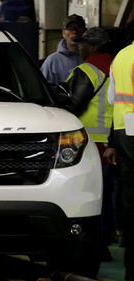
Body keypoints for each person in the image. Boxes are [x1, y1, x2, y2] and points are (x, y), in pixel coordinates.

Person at [65, 26, 115, 262]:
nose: (80, 48)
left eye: (84, 45)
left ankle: (100, 247)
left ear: (93, 47)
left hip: (93, 147)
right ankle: (116, 238)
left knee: (94, 199)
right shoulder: (119, 66)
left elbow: (71, 106)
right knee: (117, 199)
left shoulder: (87, 70)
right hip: (119, 143)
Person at [106, 19, 134, 280]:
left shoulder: (121, 57)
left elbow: (112, 99)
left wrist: (113, 141)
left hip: (125, 132)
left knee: (129, 197)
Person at [41, 14, 87, 85]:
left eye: (78, 28)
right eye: (70, 28)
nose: (74, 31)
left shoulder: (92, 58)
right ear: (63, 33)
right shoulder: (52, 61)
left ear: (85, 31)